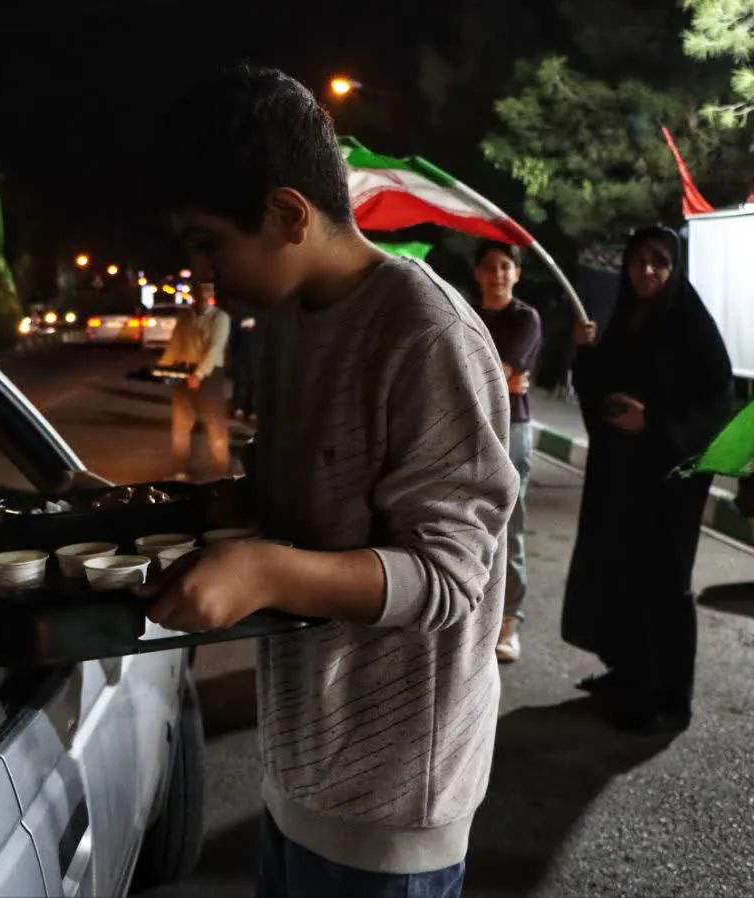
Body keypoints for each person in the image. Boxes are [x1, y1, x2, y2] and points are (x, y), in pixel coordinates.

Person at [140, 65, 516, 898]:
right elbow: (294, 502)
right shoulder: (285, 326)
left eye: (208, 241)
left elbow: (450, 579)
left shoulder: (424, 334)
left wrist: (266, 572)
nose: (202, 272)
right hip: (299, 771)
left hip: (392, 807)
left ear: (287, 214)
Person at [561, 224, 732, 734]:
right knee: (624, 575)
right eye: (639, 261)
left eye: (659, 262)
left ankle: (669, 699)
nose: (648, 271)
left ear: (674, 268)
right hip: (624, 478)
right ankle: (630, 674)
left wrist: (652, 423)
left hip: (669, 483)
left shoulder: (693, 327)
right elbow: (599, 389)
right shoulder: (628, 319)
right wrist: (587, 352)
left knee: (664, 584)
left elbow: (715, 408)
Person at [472, 241, 543, 663]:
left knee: (509, 525)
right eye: (489, 267)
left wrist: (495, 377)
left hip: (511, 429)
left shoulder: (525, 318)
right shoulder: (466, 315)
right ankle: (473, 616)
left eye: (505, 267)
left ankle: (509, 623)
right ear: (477, 273)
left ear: (516, 273)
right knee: (468, 522)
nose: (497, 274)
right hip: (468, 429)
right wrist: (500, 380)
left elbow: (499, 371)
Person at [157, 287, 232, 480]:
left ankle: (221, 471)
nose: (202, 296)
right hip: (184, 372)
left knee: (215, 425)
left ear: (212, 295)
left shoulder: (220, 318)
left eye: (207, 292)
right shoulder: (185, 317)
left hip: (209, 375)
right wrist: (161, 367)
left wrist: (199, 374)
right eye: (199, 292)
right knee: (180, 425)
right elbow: (174, 345)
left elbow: (215, 349)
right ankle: (180, 470)